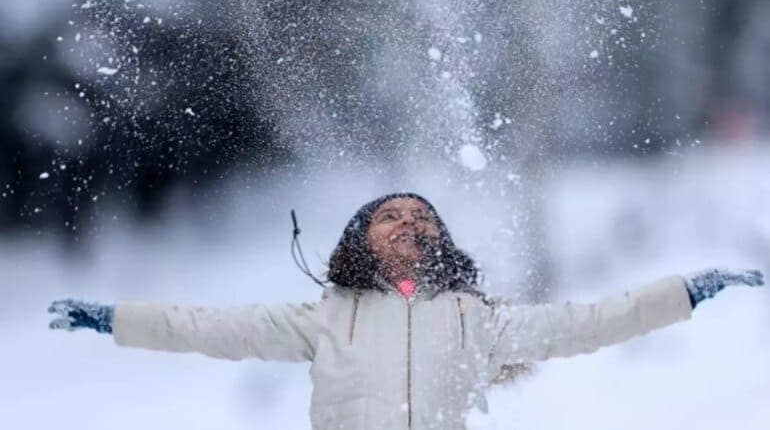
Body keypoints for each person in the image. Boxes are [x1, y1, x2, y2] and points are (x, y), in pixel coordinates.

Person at [48, 192, 764, 430]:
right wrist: (115, 318)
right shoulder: (324, 317)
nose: (408, 223)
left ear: (441, 241)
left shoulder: (476, 320)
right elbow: (206, 327)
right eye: (389, 215)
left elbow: (590, 321)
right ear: (359, 239)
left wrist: (686, 292)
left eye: (422, 216)